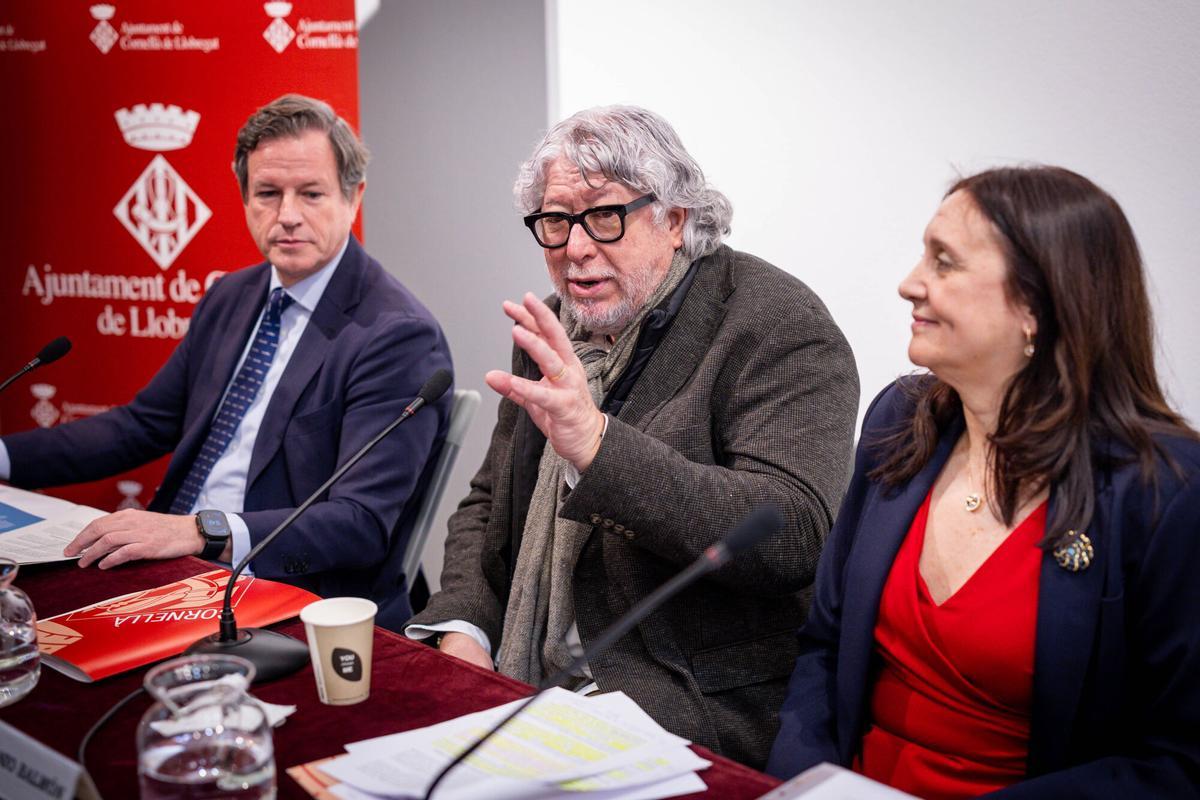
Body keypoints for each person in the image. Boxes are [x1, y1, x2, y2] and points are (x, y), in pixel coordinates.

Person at [406, 105, 859, 768]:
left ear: (674, 218)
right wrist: (464, 628)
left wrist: (597, 447)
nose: (575, 248)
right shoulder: (556, 327)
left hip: (680, 697)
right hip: (528, 679)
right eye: (556, 220)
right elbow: (488, 503)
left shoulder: (774, 323)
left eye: (605, 216)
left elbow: (792, 536)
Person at [767, 166, 1200, 797]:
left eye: (944, 262)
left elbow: (1178, 761)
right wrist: (798, 785)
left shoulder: (1165, 492)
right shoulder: (900, 420)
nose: (909, 283)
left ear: (1037, 306)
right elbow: (824, 648)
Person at [0, 94, 453, 631]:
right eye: (268, 193)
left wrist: (201, 531)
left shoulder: (396, 335)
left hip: (284, 594)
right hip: (173, 566)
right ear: (244, 198)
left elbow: (359, 522)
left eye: (311, 194)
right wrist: (4, 456)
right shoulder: (231, 296)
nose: (287, 216)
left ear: (353, 197)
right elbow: (142, 425)